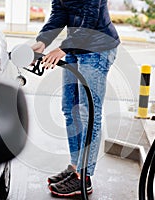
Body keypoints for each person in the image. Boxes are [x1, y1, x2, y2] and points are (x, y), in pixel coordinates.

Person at [32, 0, 120, 197]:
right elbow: (59, 13)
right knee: (69, 109)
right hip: (76, 47)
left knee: (89, 113)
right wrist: (43, 41)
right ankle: (75, 167)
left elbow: (89, 18)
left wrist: (62, 48)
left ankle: (84, 177)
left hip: (97, 48)